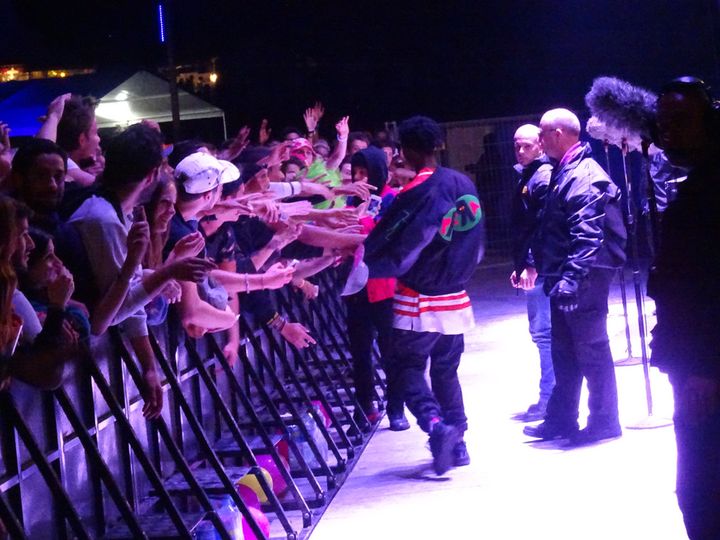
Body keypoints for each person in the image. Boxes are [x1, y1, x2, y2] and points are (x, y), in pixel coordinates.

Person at [364, 116, 484, 475]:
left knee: (405, 368)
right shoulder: (462, 181)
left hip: (420, 296)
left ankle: (436, 427)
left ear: (408, 150)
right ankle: (458, 443)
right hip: (456, 293)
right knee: (447, 371)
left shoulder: (417, 191)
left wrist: (369, 258)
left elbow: (397, 245)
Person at [523, 108, 627, 446]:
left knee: (591, 350)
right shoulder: (566, 170)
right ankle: (562, 419)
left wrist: (571, 278)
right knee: (565, 352)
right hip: (568, 275)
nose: (538, 140)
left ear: (557, 134)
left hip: (583, 276)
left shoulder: (583, 174)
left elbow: (588, 235)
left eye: (542, 133)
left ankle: (604, 422)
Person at [648, 77, 720, 540]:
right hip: (698, 367)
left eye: (681, 121)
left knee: (702, 491)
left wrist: (703, 369)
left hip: (705, 373)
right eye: (664, 124)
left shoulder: (709, 192)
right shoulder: (701, 184)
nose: (667, 134)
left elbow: (706, 287)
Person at [346, 146, 408, 432]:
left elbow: (387, 237)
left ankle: (396, 408)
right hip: (355, 286)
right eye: (355, 173)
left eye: (364, 172)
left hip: (386, 286)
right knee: (359, 353)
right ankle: (365, 409)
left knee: (391, 350)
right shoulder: (349, 201)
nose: (359, 178)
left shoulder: (393, 199)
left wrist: (361, 223)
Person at [509, 124, 554, 422]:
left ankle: (549, 398)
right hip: (535, 264)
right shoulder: (530, 174)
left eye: (527, 145)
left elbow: (542, 226)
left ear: (540, 144)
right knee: (543, 334)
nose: (521, 151)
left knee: (544, 334)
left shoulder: (541, 176)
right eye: (517, 146)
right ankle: (551, 396)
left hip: (540, 267)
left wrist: (530, 265)